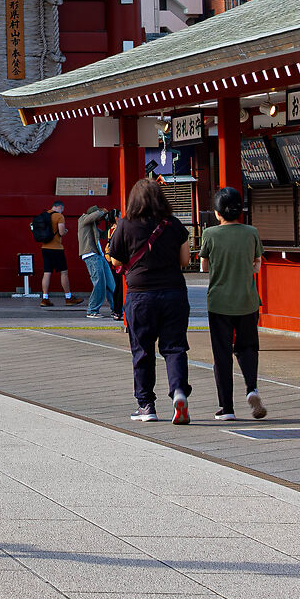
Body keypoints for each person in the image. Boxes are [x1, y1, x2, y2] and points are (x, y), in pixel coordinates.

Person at [114, 177, 196, 424]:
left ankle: (146, 405)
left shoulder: (125, 225)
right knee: (175, 347)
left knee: (142, 350)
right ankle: (179, 391)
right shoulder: (173, 224)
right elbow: (185, 261)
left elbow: (116, 260)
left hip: (140, 296)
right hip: (173, 294)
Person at [198, 187, 267, 421]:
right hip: (247, 300)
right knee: (248, 348)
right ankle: (252, 389)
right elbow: (257, 264)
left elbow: (204, 267)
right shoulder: (251, 232)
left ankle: (226, 407)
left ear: (218, 212)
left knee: (222, 354)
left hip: (219, 302)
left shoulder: (209, 234)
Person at [79, 204, 120, 319]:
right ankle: (92, 310)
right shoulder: (83, 219)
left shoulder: (92, 226)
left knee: (111, 283)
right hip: (91, 255)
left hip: (99, 255)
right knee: (99, 283)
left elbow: (102, 235)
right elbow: (94, 215)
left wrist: (111, 226)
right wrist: (103, 211)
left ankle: (116, 309)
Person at [33, 198, 75, 308]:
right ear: (60, 207)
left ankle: (45, 298)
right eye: (62, 209)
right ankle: (68, 297)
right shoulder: (59, 216)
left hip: (45, 248)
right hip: (56, 248)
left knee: (47, 272)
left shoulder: (44, 215)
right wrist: (65, 231)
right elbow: (61, 232)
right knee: (64, 272)